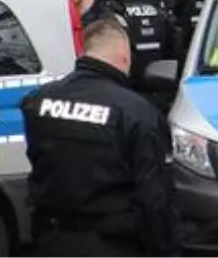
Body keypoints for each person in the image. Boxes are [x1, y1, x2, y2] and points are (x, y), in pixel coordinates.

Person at [20, 19, 178, 258]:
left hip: (50, 241)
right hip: (113, 244)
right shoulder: (136, 112)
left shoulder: (40, 100)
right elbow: (154, 198)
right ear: (124, 57)